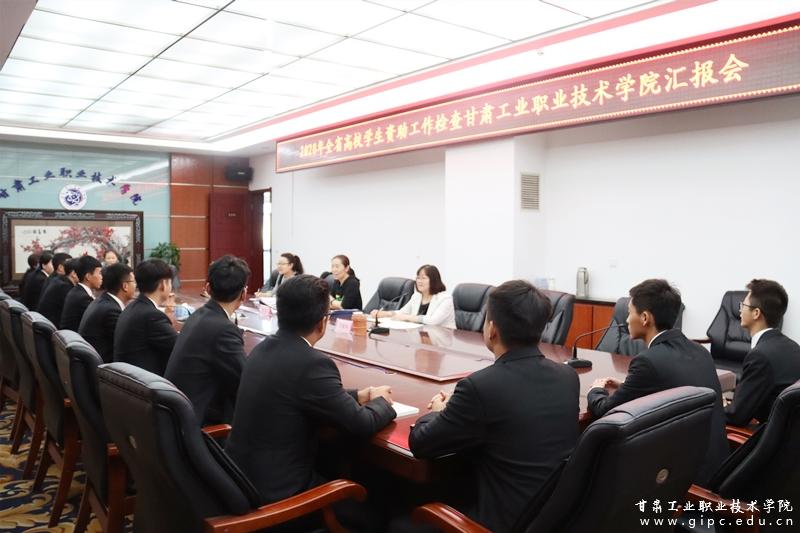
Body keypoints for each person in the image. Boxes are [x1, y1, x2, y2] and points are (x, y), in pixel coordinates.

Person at [409, 280, 579, 532]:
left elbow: (420, 443)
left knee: (400, 517)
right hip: (553, 518)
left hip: (497, 523)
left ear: (491, 329)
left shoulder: (480, 387)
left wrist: (438, 412)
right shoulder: (568, 377)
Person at [226, 274, 395, 513]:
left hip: (241, 480)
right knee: (375, 508)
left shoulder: (261, 349)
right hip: (280, 498)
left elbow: (307, 393)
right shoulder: (312, 364)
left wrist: (360, 395)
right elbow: (361, 424)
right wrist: (383, 403)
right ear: (322, 323)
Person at [587, 279, 728, 485]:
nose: (626, 320)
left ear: (645, 318)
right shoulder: (700, 351)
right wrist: (627, 385)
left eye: (630, 313)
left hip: (680, 477)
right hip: (714, 466)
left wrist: (596, 389)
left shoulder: (648, 361)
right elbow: (669, 386)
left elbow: (605, 411)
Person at [165, 255, 249, 426]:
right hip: (196, 425)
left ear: (208, 288)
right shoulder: (223, 329)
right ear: (244, 294)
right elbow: (246, 381)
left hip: (175, 417)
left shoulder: (198, 315)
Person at [725, 279, 800, 427]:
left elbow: (736, 416)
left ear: (756, 313)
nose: (740, 310)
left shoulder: (760, 356)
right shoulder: (794, 347)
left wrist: (718, 407)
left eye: (743, 305)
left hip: (767, 435)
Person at [113, 258, 178, 375]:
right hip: (144, 381)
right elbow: (180, 347)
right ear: (163, 284)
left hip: (128, 377)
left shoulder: (133, 307)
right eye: (170, 282)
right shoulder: (152, 316)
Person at [79, 263, 136, 363]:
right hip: (102, 367)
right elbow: (129, 342)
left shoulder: (103, 301)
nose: (136, 285)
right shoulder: (111, 311)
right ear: (125, 286)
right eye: (134, 282)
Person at [371, 265, 456, 328]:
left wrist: (408, 317)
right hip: (421, 336)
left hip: (442, 339)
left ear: (434, 280)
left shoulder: (445, 299)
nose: (419, 281)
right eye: (418, 278)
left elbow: (433, 321)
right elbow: (402, 313)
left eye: (423, 278)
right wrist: (385, 314)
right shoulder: (417, 296)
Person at [60, 255, 103, 331]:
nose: (102, 277)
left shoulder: (77, 291)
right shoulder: (83, 298)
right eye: (99, 273)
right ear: (88, 276)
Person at [37, 252, 73, 326]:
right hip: (53, 327)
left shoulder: (53, 279)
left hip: (46, 323)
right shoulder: (62, 284)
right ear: (60, 267)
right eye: (70, 266)